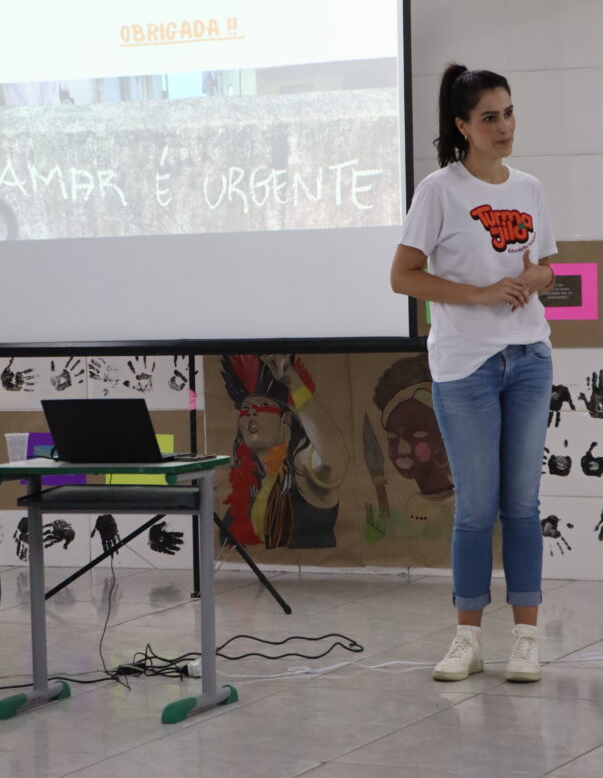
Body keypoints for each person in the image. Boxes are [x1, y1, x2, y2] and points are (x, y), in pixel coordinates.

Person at [390, 63, 557, 683]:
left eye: (509, 112)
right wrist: (479, 293)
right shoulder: (440, 189)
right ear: (462, 125)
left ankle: (526, 638)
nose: (504, 125)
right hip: (466, 365)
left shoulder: (531, 188)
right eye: (489, 116)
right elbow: (403, 276)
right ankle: (467, 636)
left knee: (522, 502)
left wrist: (531, 279)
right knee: (475, 507)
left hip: (530, 358)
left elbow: (547, 268)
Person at [220, 354, 349, 549]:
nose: (251, 412)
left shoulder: (302, 470)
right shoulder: (244, 491)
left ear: (286, 421)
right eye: (245, 408)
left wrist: (292, 380)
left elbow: (335, 457)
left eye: (263, 406)